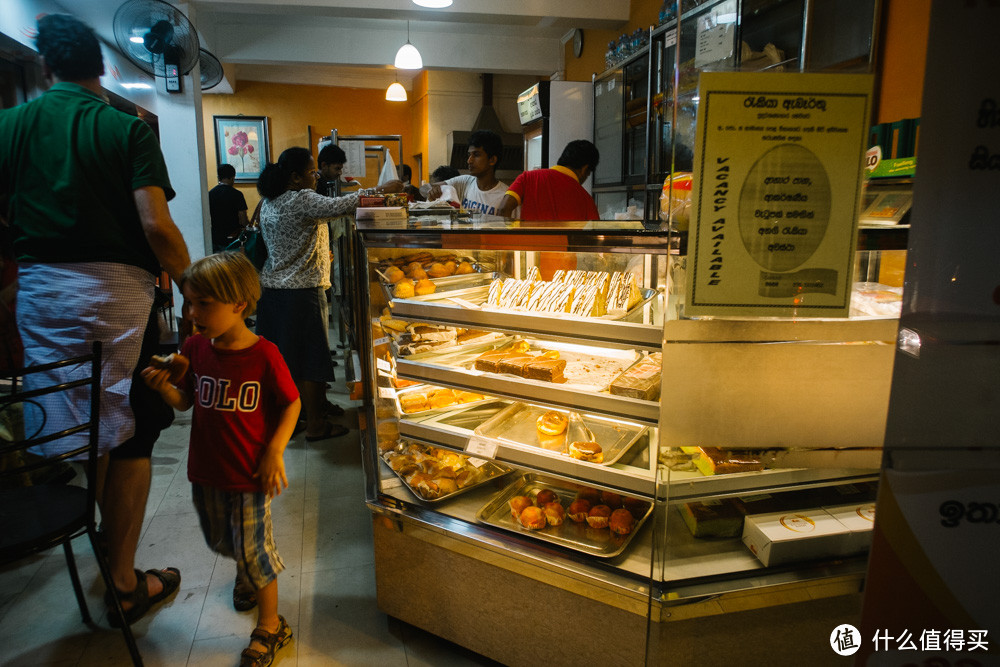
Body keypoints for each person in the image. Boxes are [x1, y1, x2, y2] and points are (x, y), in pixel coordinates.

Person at [0, 14, 189, 626]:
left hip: (40, 293)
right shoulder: (123, 128)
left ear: (46, 67)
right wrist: (193, 288)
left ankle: (105, 547)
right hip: (116, 296)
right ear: (102, 68)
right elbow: (156, 225)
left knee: (78, 419)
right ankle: (126, 581)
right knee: (131, 425)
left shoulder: (9, 126)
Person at [141, 252, 299, 667]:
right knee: (220, 540)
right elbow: (185, 403)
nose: (192, 314)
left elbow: (291, 403)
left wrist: (275, 450)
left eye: (203, 304)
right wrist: (164, 387)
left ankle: (270, 624)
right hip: (206, 471)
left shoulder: (264, 355)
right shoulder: (194, 347)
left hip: (249, 474)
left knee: (255, 550)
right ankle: (245, 571)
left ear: (239, 305)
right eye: (188, 303)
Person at [254, 147, 397, 440]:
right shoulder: (301, 198)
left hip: (272, 290)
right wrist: (383, 190)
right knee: (311, 361)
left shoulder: (269, 200)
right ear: (295, 177)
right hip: (300, 291)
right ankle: (316, 424)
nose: (316, 176)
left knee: (287, 360)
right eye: (311, 171)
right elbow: (344, 205)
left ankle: (297, 416)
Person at [497, 140, 601, 221]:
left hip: (527, 246)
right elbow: (594, 237)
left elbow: (503, 209)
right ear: (584, 169)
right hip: (562, 249)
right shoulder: (586, 200)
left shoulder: (528, 177)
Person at [428, 130, 508, 215]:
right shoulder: (465, 182)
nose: (469, 160)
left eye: (476, 155)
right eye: (469, 155)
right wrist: (432, 190)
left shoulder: (505, 196)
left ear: (492, 160)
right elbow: (426, 188)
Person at [209, 164, 249, 251]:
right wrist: (248, 229)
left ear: (218, 177)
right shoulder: (237, 194)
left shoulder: (210, 194)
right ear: (232, 177)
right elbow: (243, 218)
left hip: (215, 238)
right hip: (232, 238)